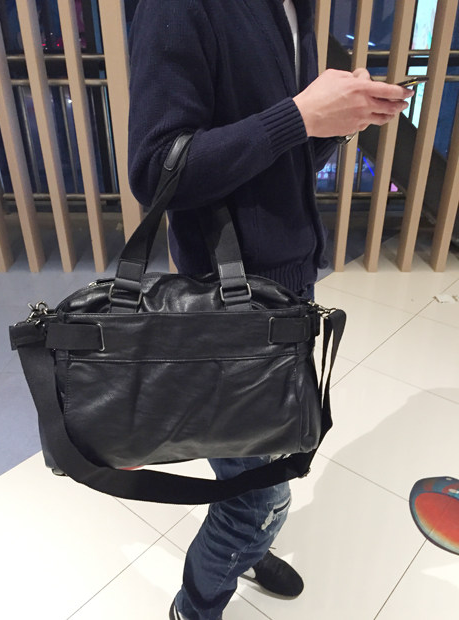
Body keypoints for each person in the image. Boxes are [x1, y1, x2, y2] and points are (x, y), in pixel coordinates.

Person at [127, 2, 412, 619]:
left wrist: (332, 122)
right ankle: (195, 607)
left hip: (286, 290)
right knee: (256, 496)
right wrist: (299, 116)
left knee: (266, 461)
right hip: (225, 303)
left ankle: (248, 546)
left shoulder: (294, 7)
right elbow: (156, 170)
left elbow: (275, 158)